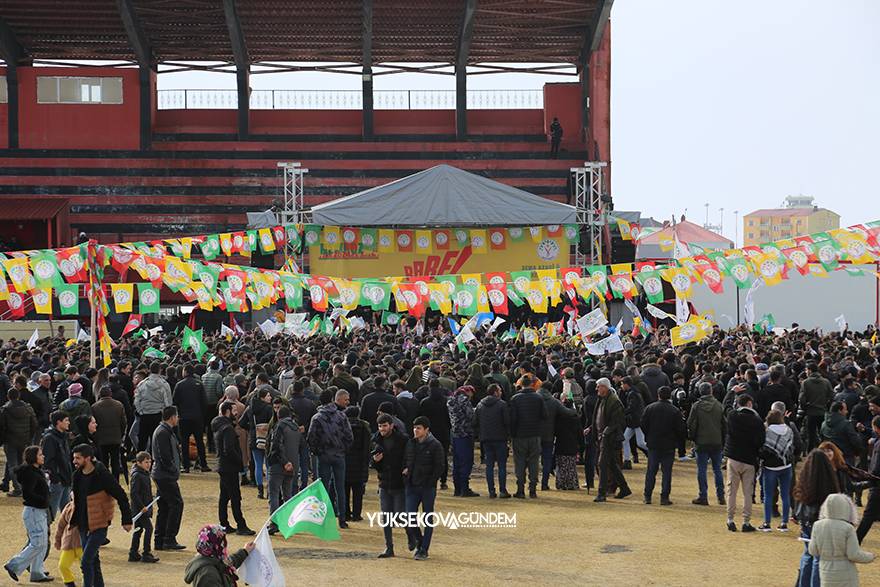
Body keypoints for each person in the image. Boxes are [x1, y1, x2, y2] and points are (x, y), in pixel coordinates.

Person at [69, 443, 133, 587]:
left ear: (88, 458)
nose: (74, 461)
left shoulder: (101, 474)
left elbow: (121, 495)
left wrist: (126, 520)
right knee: (93, 561)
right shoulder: (77, 475)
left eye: (78, 458)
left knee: (86, 561)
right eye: (74, 458)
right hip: (83, 525)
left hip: (99, 524)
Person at [3, 445, 53, 583]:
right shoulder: (30, 473)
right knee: (38, 543)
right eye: (40, 454)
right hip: (34, 511)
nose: (43, 456)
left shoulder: (36, 471)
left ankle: (37, 572)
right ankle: (13, 565)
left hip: (38, 511)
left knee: (41, 543)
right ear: (33, 457)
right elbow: (28, 494)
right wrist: (44, 500)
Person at [794, 449, 840, 587]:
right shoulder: (829, 483)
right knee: (818, 558)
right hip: (820, 522)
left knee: (808, 555)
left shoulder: (803, 481)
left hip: (806, 522)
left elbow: (797, 500)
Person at [308, 389, 353, 529]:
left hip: (324, 456)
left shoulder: (317, 418)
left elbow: (311, 438)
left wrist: (317, 452)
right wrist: (343, 449)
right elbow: (349, 436)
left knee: (324, 488)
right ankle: (342, 519)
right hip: (339, 455)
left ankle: (324, 518)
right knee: (340, 488)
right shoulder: (341, 416)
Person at [808, 493, 875, 586]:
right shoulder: (848, 528)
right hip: (846, 573)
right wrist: (870, 556)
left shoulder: (817, 525)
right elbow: (853, 554)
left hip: (825, 572)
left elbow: (813, 550)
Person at [404, 416, 446, 561]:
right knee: (409, 516)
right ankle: (419, 541)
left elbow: (440, 466)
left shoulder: (435, 445)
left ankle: (424, 549)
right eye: (414, 427)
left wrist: (430, 481)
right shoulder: (411, 443)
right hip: (412, 485)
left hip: (427, 487)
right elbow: (407, 460)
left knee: (427, 518)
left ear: (426, 430)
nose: (415, 430)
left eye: (419, 428)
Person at [724, 394, 765, 532]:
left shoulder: (733, 416)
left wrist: (731, 393)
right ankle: (746, 521)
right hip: (749, 459)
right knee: (748, 492)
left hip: (733, 457)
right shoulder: (757, 421)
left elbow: (726, 407)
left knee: (731, 491)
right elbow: (760, 441)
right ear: (749, 404)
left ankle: (730, 519)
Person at [213, 401, 255, 536]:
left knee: (224, 496)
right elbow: (229, 449)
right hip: (229, 467)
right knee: (235, 497)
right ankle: (240, 525)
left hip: (223, 466)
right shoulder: (228, 428)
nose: (237, 413)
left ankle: (224, 523)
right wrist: (240, 462)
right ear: (227, 411)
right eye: (234, 410)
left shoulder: (220, 426)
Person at [640, 386, 686, 505]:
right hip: (669, 444)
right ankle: (664, 497)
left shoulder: (650, 408)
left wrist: (648, 435)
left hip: (653, 443)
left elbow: (643, 424)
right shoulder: (674, 411)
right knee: (666, 472)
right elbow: (680, 429)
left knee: (651, 470)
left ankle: (647, 495)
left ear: (658, 395)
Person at [372, 413, 409, 558]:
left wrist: (406, 469)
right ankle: (389, 547)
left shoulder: (403, 440)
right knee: (386, 517)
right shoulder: (376, 440)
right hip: (384, 483)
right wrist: (375, 461)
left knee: (400, 516)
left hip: (399, 482)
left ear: (391, 425)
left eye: (384, 426)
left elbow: (408, 457)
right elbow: (372, 462)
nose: (382, 429)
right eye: (380, 426)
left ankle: (411, 536)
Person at [591, 377, 631, 502]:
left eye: (599, 386)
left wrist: (605, 433)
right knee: (611, 464)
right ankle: (624, 488)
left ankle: (602, 493)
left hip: (609, 438)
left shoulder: (614, 401)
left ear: (605, 387)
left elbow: (617, 421)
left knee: (602, 464)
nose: (597, 389)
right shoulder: (603, 399)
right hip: (603, 436)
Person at [151, 405, 185, 551]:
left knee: (165, 507)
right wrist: (173, 470)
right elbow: (164, 456)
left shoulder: (164, 431)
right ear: (172, 417)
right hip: (165, 475)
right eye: (177, 416)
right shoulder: (163, 433)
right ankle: (169, 538)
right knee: (176, 504)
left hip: (162, 474)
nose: (178, 419)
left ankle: (160, 538)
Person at [758, 409, 796, 532]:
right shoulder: (789, 430)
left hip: (770, 467)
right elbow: (792, 447)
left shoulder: (767, 431)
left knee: (768, 495)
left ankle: (767, 523)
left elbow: (763, 448)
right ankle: (784, 523)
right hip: (786, 466)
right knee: (785, 495)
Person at [509, 376, 547, 498]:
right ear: (531, 384)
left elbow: (513, 419)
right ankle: (533, 489)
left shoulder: (515, 399)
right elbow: (544, 415)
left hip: (519, 435)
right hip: (535, 434)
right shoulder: (538, 398)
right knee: (534, 462)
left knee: (519, 462)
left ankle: (520, 489)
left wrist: (512, 434)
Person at [183, 524, 255, 587]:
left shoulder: (210, 558)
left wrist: (245, 551)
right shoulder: (208, 574)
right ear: (215, 545)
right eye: (221, 540)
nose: (224, 543)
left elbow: (228, 563)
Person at [267, 406, 301, 533]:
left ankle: (274, 524)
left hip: (278, 465)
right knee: (288, 495)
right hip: (293, 465)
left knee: (274, 494)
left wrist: (284, 462)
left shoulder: (279, 426)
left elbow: (276, 445)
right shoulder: (296, 427)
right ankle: (289, 523)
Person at [473, 383, 511, 498]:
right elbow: (507, 422)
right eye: (499, 390)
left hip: (486, 438)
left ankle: (491, 491)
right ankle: (503, 490)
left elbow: (475, 422)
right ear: (495, 392)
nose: (501, 392)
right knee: (502, 466)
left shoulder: (480, 405)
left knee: (489, 466)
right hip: (500, 438)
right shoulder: (502, 405)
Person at [2, 386, 39, 498]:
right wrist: (29, 437)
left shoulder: (5, 410)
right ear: (19, 396)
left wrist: (4, 439)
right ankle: (23, 487)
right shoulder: (28, 408)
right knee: (23, 464)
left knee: (12, 465)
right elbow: (34, 424)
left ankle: (18, 488)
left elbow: (2, 427)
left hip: (10, 440)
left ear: (8, 397)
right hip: (24, 440)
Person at [238, 386, 274, 499]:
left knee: (258, 464)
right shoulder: (269, 408)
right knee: (268, 465)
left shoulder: (250, 408)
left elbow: (241, 422)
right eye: (268, 395)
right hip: (266, 438)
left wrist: (252, 428)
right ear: (263, 397)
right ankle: (269, 490)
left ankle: (259, 490)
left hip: (254, 438)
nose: (270, 397)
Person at [173, 363, 209, 473]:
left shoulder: (179, 384)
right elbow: (204, 402)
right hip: (197, 417)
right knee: (199, 441)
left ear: (185, 371)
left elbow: (175, 401)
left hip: (184, 417)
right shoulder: (199, 384)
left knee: (184, 442)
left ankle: (186, 465)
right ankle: (203, 464)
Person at [418, 383, 451, 490]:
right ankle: (443, 480)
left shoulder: (424, 402)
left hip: (429, 432)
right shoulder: (446, 401)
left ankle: (429, 479)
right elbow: (449, 418)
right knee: (443, 457)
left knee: (427, 457)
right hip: (443, 431)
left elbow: (421, 418)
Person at [92, 385, 127, 484]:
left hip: (101, 439)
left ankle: (105, 481)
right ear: (110, 394)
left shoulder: (94, 407)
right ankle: (115, 481)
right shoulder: (119, 405)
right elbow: (123, 422)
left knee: (104, 462)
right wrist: (121, 434)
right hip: (115, 437)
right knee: (115, 462)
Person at [448, 385, 479, 497]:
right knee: (466, 461)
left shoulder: (451, 400)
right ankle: (464, 489)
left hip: (454, 433)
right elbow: (471, 416)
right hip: (465, 433)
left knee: (457, 462)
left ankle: (457, 488)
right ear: (468, 391)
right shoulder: (464, 400)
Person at [129, 451, 159, 563]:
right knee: (149, 528)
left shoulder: (144, 473)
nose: (149, 464)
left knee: (138, 530)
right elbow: (134, 493)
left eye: (150, 461)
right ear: (139, 463)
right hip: (140, 509)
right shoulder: (137, 475)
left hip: (143, 507)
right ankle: (146, 553)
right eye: (146, 462)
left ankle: (133, 552)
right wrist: (142, 507)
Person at [41, 410, 73, 518]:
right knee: (51, 513)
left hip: (65, 478)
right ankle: (45, 533)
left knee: (67, 513)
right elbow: (47, 461)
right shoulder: (50, 438)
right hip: (57, 480)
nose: (68, 422)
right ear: (58, 422)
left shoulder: (62, 437)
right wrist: (55, 477)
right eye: (66, 420)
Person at [134, 362, 172, 452]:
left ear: (149, 370)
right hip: (158, 415)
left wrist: (141, 411)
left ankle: (140, 460)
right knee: (156, 440)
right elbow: (168, 402)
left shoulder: (142, 384)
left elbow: (137, 400)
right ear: (160, 370)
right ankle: (154, 460)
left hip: (144, 415)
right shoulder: (164, 384)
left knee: (142, 439)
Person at [856, 415, 880, 543]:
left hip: (877, 486)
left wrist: (865, 483)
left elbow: (876, 469)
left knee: (868, 516)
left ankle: (856, 540)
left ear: (876, 428)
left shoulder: (878, 445)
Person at [343, 405, 370, 521]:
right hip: (359, 463)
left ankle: (346, 513)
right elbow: (367, 448)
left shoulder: (342, 427)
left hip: (344, 462)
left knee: (344, 491)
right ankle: (356, 514)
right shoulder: (364, 427)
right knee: (358, 492)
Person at [800, 362, 834, 451]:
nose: (806, 372)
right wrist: (827, 406)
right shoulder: (826, 382)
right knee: (823, 434)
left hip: (811, 412)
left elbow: (802, 399)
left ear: (810, 370)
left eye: (807, 370)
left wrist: (805, 408)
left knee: (811, 435)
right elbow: (832, 396)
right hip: (823, 411)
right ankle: (824, 451)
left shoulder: (805, 383)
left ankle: (810, 453)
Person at [553, 396, 581, 490]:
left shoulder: (559, 418)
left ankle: (561, 483)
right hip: (572, 445)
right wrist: (581, 447)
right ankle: (572, 483)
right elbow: (579, 434)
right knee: (571, 466)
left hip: (561, 444)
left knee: (561, 466)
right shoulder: (576, 418)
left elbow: (555, 431)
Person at [54, 497, 83, 587]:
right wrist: (57, 540)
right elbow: (60, 525)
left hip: (82, 543)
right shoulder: (68, 507)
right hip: (68, 543)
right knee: (62, 565)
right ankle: (69, 583)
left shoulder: (88, 507)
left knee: (86, 567)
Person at [621, 376, 648, 469]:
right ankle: (627, 460)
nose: (621, 386)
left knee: (640, 443)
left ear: (626, 384)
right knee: (625, 440)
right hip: (634, 421)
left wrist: (623, 412)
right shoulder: (634, 392)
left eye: (622, 384)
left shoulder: (632, 394)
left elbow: (632, 407)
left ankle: (656, 453)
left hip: (636, 421)